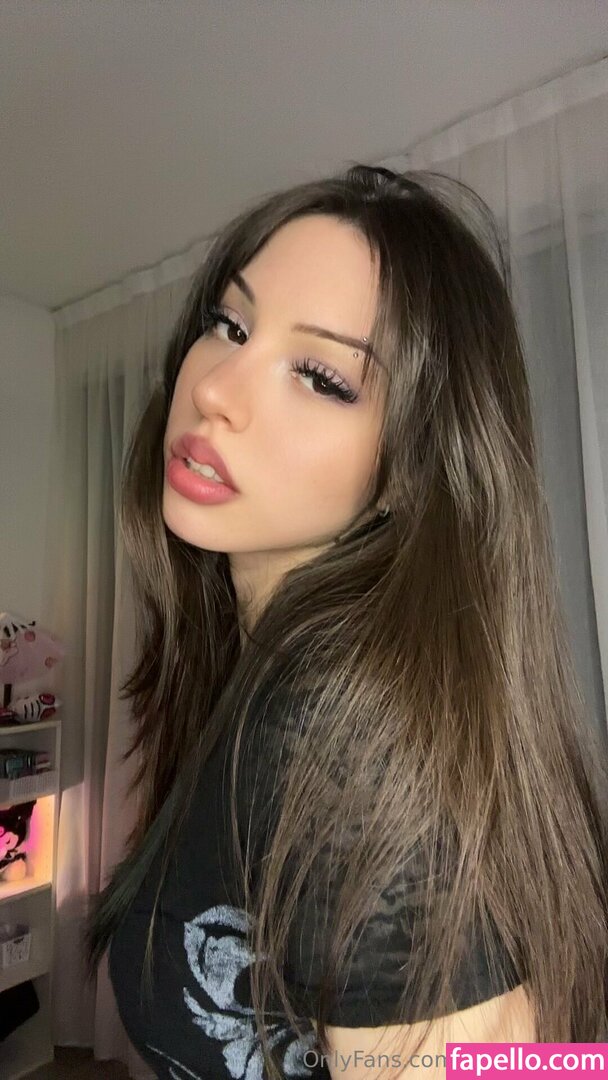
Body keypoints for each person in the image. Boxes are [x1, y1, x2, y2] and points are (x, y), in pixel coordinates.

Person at [84, 164, 608, 1079]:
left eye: (320, 376)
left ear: (413, 464)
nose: (216, 389)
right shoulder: (263, 676)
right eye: (230, 325)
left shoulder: (347, 733)